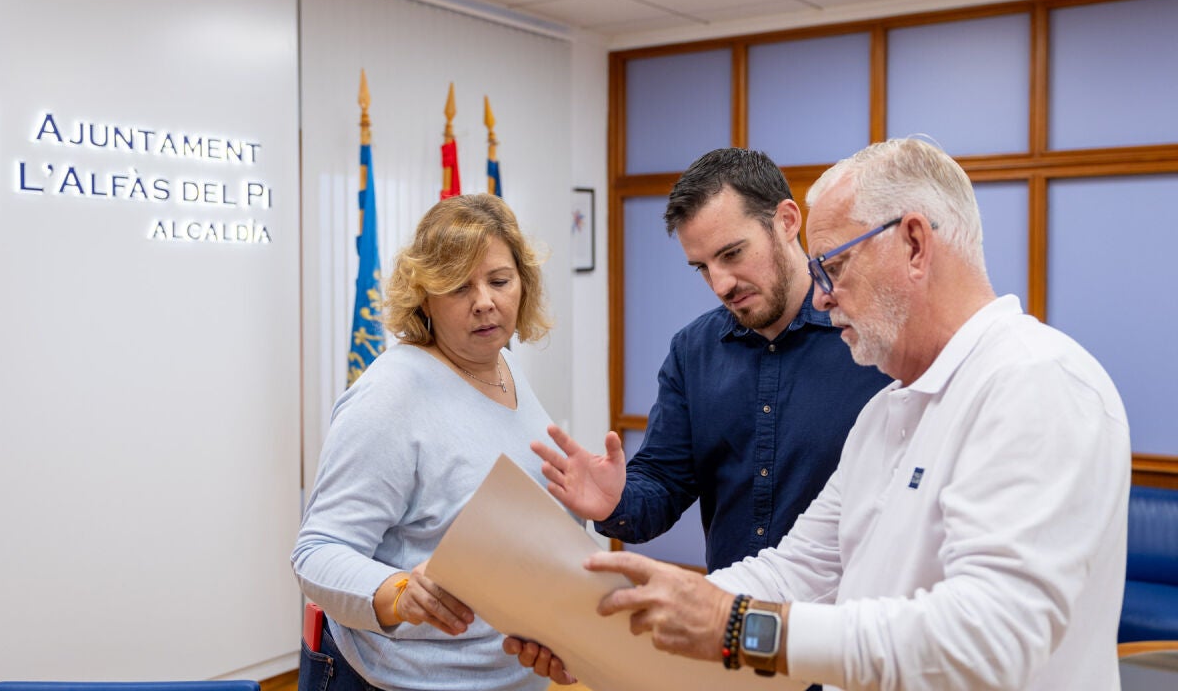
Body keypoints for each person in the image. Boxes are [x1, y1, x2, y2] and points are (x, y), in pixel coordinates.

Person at [520, 137, 1132, 690]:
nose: (821, 294)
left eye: (834, 267)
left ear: (914, 244)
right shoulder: (886, 413)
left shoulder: (1037, 381)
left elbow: (989, 640)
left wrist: (735, 628)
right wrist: (610, 627)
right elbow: (797, 571)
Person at [532, 148, 888, 572]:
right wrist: (615, 502)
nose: (720, 285)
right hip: (728, 605)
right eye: (701, 267)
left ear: (787, 221)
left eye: (732, 254)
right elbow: (663, 483)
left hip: (847, 607)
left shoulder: (871, 337)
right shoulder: (693, 351)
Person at [292, 193, 558, 691]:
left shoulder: (502, 364)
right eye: (459, 287)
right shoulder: (392, 394)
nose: (485, 301)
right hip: (399, 679)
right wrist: (398, 592)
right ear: (425, 297)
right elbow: (318, 551)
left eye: (500, 281)